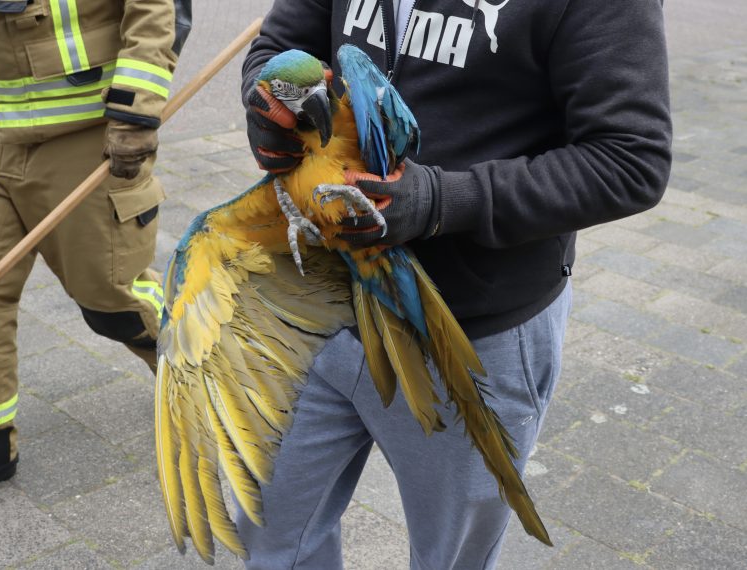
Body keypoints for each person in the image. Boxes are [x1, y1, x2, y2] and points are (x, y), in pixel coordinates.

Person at [240, 0, 671, 568]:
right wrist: (267, 104)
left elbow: (629, 160)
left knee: (452, 557)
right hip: (310, 304)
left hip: (468, 333)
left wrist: (443, 200)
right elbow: (275, 50)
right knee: (271, 536)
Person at [0, 0, 192, 509]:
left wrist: (137, 111)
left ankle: (207, 382)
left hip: (89, 132)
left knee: (113, 303)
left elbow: (154, 11)